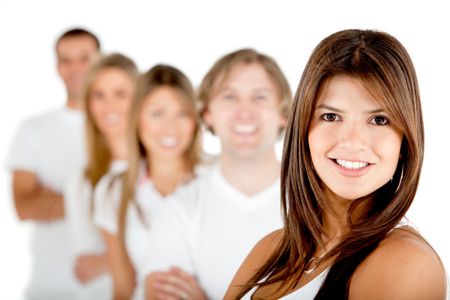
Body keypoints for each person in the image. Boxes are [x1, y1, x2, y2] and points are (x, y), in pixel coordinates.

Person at [225, 29, 448, 299]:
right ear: (303, 129)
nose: (353, 142)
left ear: (404, 141)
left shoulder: (405, 263)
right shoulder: (271, 248)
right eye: (331, 116)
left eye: (378, 120)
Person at [143, 48, 292, 300]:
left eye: (260, 97)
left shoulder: (325, 202)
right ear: (207, 114)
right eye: (229, 97)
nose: (245, 112)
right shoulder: (180, 208)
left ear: (284, 114)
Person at [5, 28, 100, 299]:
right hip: (49, 287)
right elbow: (24, 206)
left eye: (84, 58)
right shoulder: (32, 130)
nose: (76, 68)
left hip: (113, 286)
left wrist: (53, 199)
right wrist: (97, 201)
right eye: (66, 59)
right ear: (57, 66)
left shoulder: (123, 130)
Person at [93, 64, 202, 299]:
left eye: (182, 113)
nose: (170, 128)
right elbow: (122, 289)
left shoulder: (216, 178)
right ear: (137, 119)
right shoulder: (113, 190)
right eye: (157, 113)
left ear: (195, 120)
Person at [64, 53, 138, 299]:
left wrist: (110, 260)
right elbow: (85, 266)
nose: (110, 106)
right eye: (99, 95)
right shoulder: (82, 181)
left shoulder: (162, 167)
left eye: (120, 94)